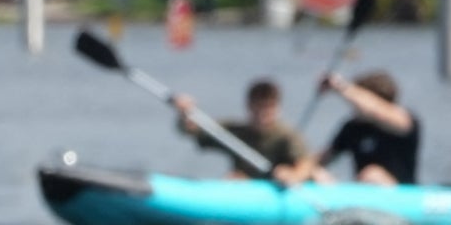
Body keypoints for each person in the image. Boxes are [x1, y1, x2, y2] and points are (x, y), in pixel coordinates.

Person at [168, 78, 310, 179]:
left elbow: (305, 163)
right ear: (249, 106)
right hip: (243, 183)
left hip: (278, 183)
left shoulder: (286, 135)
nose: (262, 114)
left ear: (278, 108)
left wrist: (294, 175)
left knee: (318, 174)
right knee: (234, 179)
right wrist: (185, 114)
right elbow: (194, 130)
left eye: (268, 108)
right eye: (258, 107)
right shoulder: (234, 131)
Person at [313, 71, 421, 186]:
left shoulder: (403, 121)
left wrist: (340, 86)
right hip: (361, 193)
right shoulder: (352, 127)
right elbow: (322, 159)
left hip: (401, 194)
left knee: (372, 175)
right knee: (316, 173)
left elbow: (376, 110)